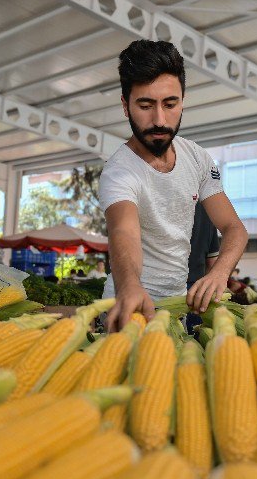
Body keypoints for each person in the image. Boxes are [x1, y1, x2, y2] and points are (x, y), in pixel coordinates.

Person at [100, 40, 248, 331]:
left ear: (183, 100)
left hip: (177, 306)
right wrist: (129, 286)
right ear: (125, 106)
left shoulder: (197, 157)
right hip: (129, 306)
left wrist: (219, 273)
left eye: (170, 104)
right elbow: (124, 231)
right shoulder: (119, 171)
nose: (159, 120)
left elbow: (235, 229)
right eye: (145, 105)